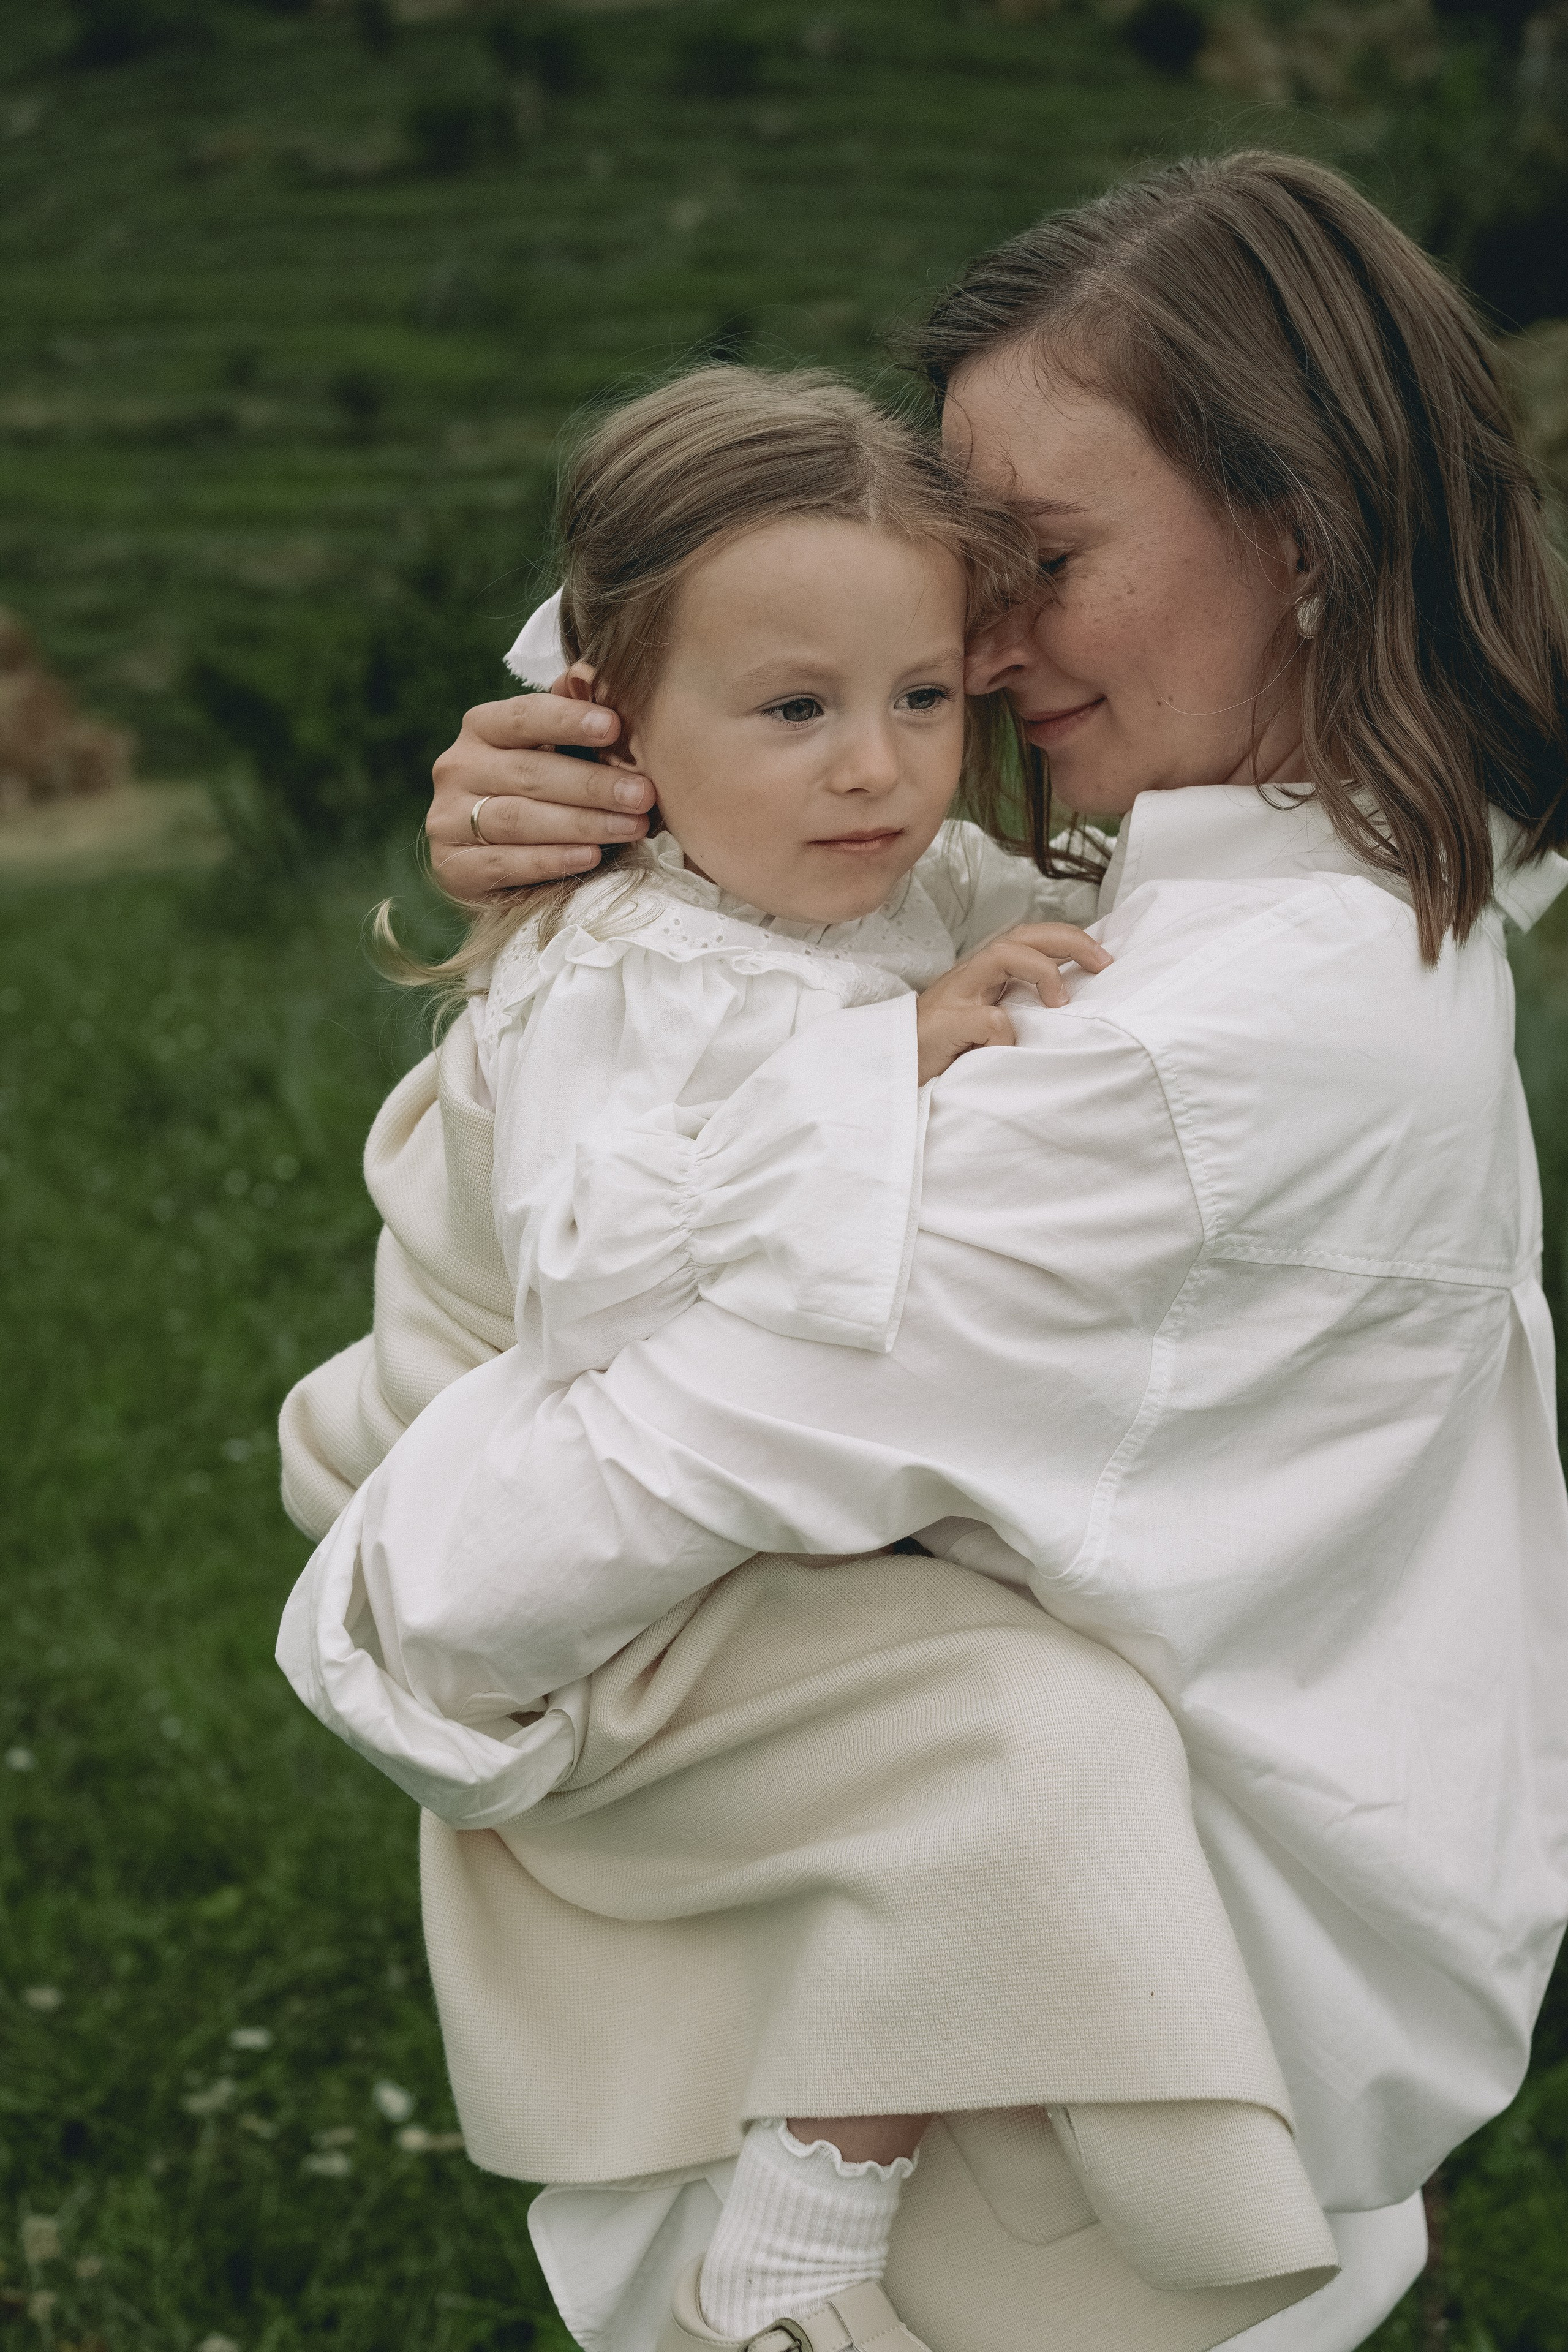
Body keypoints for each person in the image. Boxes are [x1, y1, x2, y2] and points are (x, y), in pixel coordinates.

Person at [284, 150, 1568, 2352]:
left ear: (1308, 529)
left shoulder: (1168, 1057)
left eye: (1040, 566)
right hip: (1101, 2045)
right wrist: (610, 855)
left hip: (1022, 2170)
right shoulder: (1285, 886)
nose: (979, 653)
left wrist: (361, 1489)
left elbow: (527, 1519)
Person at [285, 360, 1115, 1804]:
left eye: (920, 695)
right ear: (611, 722)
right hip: (651, 1526)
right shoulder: (639, 969)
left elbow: (1059, 896)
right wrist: (880, 1061)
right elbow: (584, 1265)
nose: (877, 769)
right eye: (794, 709)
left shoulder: (882, 876)